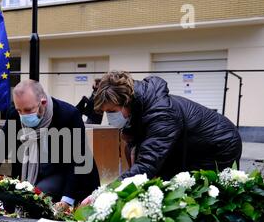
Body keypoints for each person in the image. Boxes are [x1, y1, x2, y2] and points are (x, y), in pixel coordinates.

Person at [93, 71, 242, 181]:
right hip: (188, 144)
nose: (110, 116)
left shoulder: (162, 114)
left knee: (198, 191)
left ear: (126, 102)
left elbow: (148, 163)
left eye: (112, 111)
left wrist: (109, 192)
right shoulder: (139, 106)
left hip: (219, 145)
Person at [0, 79, 100, 211]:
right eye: (20, 110)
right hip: (32, 172)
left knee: (33, 198)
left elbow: (78, 160)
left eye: (28, 110)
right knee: (10, 203)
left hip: (65, 173)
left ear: (43, 103)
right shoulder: (14, 115)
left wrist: (67, 199)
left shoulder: (68, 115)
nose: (23, 115)